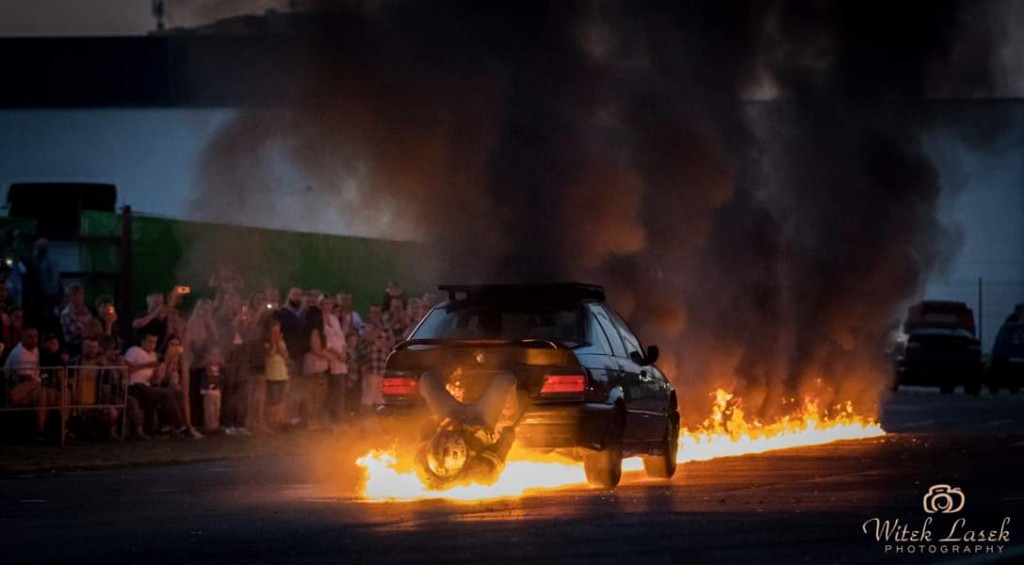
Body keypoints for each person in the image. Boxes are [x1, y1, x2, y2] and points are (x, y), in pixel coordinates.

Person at [124, 331, 198, 439]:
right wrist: (150, 364)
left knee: (175, 393)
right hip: (134, 386)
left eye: (154, 342)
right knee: (166, 393)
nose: (152, 345)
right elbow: (127, 369)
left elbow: (156, 380)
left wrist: (160, 370)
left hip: (146, 387)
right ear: (142, 341)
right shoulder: (134, 350)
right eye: (149, 341)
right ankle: (181, 427)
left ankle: (168, 427)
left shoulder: (154, 355)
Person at [4, 327, 54, 437]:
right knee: (41, 393)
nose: (33, 339)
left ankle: (53, 429)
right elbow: (25, 380)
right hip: (15, 387)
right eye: (29, 336)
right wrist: (40, 382)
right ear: (22, 337)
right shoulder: (19, 353)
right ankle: (40, 431)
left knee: (52, 394)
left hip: (32, 386)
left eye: (35, 336)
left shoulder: (35, 350)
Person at [68, 336, 121, 440]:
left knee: (113, 412)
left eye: (94, 347)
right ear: (82, 347)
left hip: (98, 400)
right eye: (89, 347)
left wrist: (107, 368)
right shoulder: (73, 363)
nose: (92, 350)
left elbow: (114, 382)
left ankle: (111, 433)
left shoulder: (103, 364)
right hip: (76, 400)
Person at [294, 305, 336, 430]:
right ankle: (312, 422)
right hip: (315, 367)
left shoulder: (306, 329)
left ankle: (312, 421)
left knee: (312, 396)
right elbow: (317, 349)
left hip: (311, 366)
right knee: (315, 396)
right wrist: (331, 357)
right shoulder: (315, 331)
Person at [321, 295, 349, 425]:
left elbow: (341, 337)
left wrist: (343, 351)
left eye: (329, 304)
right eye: (324, 304)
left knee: (340, 391)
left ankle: (340, 419)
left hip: (341, 358)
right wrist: (337, 353)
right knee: (330, 391)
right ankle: (329, 418)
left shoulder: (334, 319)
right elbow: (325, 340)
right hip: (330, 356)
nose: (327, 306)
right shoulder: (319, 320)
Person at [275, 287, 306, 373]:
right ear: (288, 296)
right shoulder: (282, 312)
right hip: (287, 353)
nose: (297, 297)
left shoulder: (303, 313)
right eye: (294, 294)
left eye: (299, 295)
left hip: (300, 353)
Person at [360, 328, 390, 419]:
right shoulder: (371, 348)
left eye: (383, 338)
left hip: (380, 376)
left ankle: (374, 419)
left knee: (378, 398)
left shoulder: (385, 350)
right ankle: (366, 419)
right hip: (372, 375)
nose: (381, 340)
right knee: (368, 397)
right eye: (379, 338)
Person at [59, 283, 94, 354]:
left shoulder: (87, 310)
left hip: (89, 344)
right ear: (69, 297)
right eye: (75, 295)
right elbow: (77, 333)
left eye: (80, 294)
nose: (78, 297)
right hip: (74, 347)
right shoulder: (67, 313)